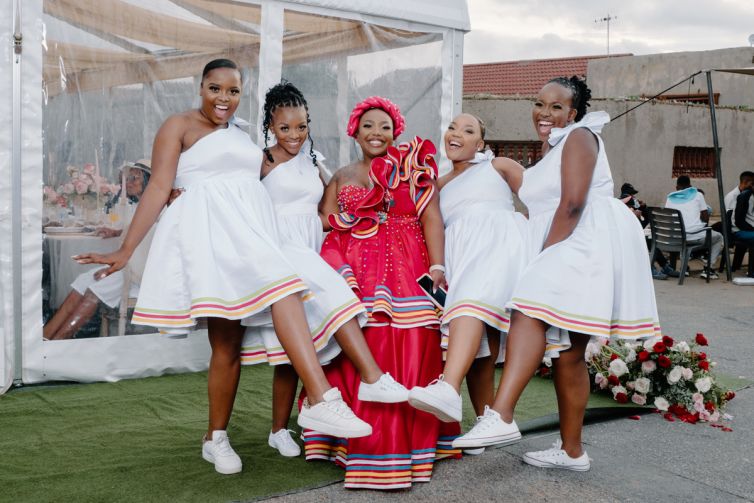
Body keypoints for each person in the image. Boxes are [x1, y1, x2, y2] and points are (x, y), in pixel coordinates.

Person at [74, 59, 376, 476]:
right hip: (212, 238)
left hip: (251, 235)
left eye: (233, 91)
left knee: (286, 289)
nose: (224, 98)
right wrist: (127, 249)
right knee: (227, 344)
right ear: (201, 87)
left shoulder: (241, 134)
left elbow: (256, 181)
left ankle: (322, 401)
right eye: (216, 88)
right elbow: (161, 185)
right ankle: (216, 437)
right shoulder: (177, 125)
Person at [451, 76, 661, 472]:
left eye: (556, 107)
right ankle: (572, 451)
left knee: (527, 309)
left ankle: (502, 415)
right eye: (539, 104)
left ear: (574, 112)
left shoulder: (581, 136)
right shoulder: (552, 148)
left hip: (582, 239)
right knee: (568, 354)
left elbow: (572, 204)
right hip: (572, 239)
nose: (545, 114)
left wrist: (543, 256)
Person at [238, 82, 408, 458]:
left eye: (301, 127)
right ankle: (370, 379)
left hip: (311, 245)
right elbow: (233, 198)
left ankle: (279, 430)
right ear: (270, 125)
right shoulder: (258, 161)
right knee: (335, 301)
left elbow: (325, 214)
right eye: (285, 128)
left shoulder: (312, 161)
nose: (294, 135)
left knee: (297, 352)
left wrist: (365, 215)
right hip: (280, 249)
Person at [302, 96, 460, 490]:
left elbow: (432, 218)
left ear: (396, 132)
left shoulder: (414, 168)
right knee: (365, 341)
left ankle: (413, 447)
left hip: (411, 268)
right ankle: (360, 445)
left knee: (411, 343)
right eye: (369, 125)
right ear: (354, 130)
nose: (377, 133)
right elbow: (323, 220)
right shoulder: (340, 175)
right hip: (358, 270)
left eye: (385, 126)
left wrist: (438, 265)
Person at [407, 113, 527, 443]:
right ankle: (487, 423)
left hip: (498, 245)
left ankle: (448, 388)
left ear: (480, 143)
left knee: (468, 308)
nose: (457, 133)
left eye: (468, 130)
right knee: (481, 347)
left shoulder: (497, 166)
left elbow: (543, 198)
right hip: (461, 257)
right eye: (452, 127)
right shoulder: (437, 184)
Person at [44, 161, 152, 340]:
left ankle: (58, 341)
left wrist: (112, 269)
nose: (128, 182)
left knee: (96, 288)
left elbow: (146, 247)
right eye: (127, 178)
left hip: (141, 276)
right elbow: (138, 232)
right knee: (83, 280)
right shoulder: (141, 206)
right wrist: (118, 232)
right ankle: (45, 337)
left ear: (149, 180)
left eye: (135, 178)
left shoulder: (156, 209)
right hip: (128, 268)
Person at [665, 175, 723, 279]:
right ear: (690, 185)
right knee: (718, 237)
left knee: (684, 235)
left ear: (676, 187)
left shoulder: (670, 198)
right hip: (694, 237)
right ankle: (708, 269)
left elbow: (669, 220)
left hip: (677, 237)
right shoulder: (698, 195)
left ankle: (684, 267)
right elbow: (705, 218)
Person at [618, 182, 677, 280]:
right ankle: (652, 268)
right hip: (624, 240)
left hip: (630, 237)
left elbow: (644, 223)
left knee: (649, 240)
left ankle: (664, 266)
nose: (633, 197)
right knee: (646, 241)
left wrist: (643, 207)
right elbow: (640, 226)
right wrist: (636, 212)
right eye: (631, 195)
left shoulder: (628, 207)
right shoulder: (624, 207)